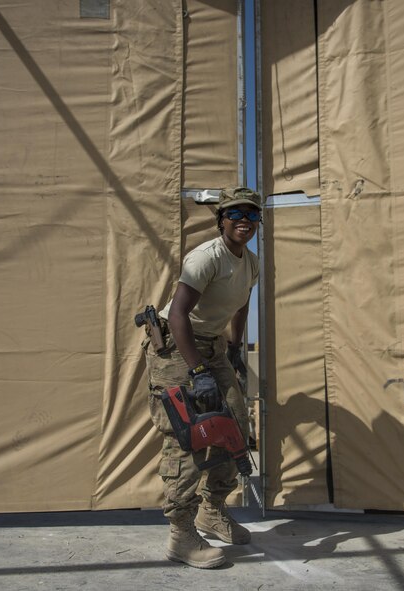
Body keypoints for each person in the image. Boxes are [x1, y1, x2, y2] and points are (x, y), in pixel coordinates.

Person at [142, 186, 261, 569]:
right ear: (222, 220)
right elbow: (178, 316)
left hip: (212, 345)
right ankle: (181, 534)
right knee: (190, 435)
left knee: (235, 427)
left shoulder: (251, 262)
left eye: (252, 215)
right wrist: (197, 370)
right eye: (236, 214)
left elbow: (240, 305)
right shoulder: (206, 257)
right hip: (178, 347)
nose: (244, 221)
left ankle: (212, 510)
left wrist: (234, 348)